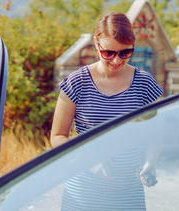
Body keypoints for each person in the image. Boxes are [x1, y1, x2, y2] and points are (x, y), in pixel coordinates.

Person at [50, 12, 163, 210]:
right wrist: (89, 161)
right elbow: (58, 136)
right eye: (109, 53)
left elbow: (155, 133)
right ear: (97, 43)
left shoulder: (145, 84)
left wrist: (150, 162)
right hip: (82, 193)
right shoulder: (76, 83)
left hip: (128, 193)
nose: (117, 60)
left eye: (125, 53)